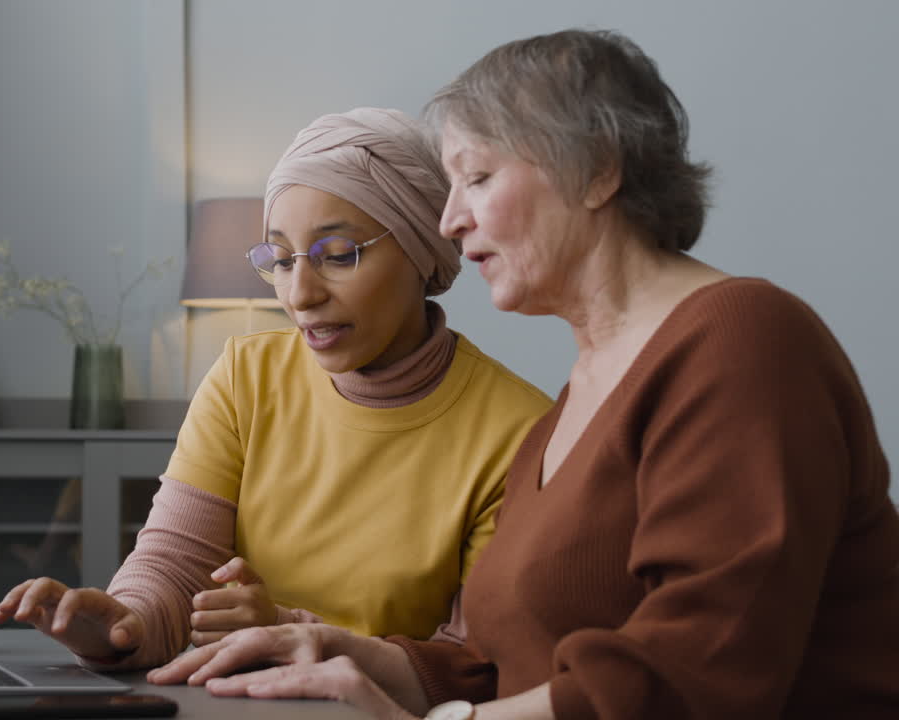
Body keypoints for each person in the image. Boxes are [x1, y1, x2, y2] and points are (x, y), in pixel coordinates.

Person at [148, 29, 899, 720]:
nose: (449, 221)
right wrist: (341, 651)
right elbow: (498, 668)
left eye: (476, 177)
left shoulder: (742, 340)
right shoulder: (573, 406)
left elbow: (701, 666)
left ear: (598, 171)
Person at [0, 107, 553, 670]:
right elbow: (176, 562)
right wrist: (125, 624)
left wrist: (289, 632)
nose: (300, 294)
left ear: (421, 249)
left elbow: (472, 664)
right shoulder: (246, 376)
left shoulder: (521, 431)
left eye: (339, 255)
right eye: (280, 260)